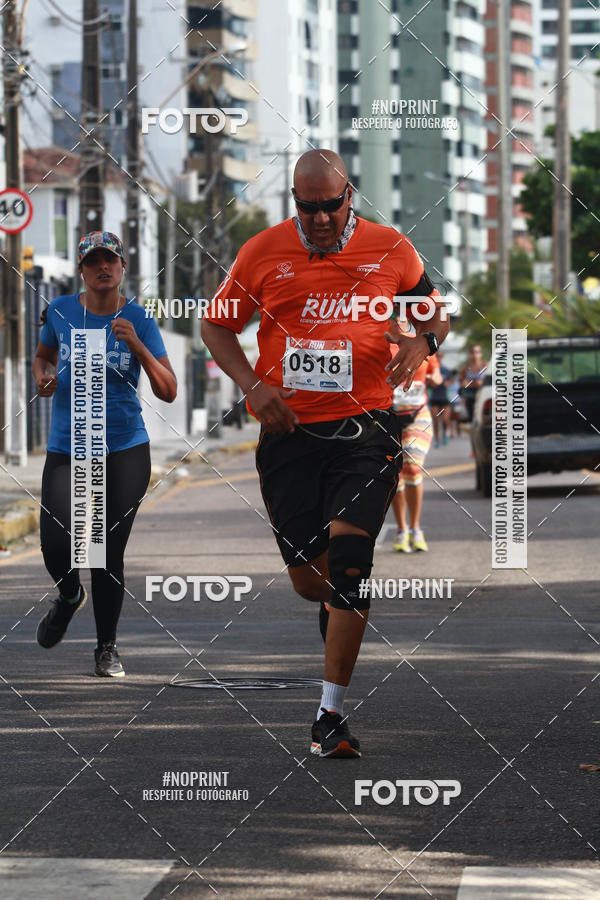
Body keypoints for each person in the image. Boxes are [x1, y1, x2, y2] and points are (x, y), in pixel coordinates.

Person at [201, 149, 449, 757]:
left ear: (349, 196)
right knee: (312, 583)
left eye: (329, 207)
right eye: (306, 207)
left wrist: (423, 342)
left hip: (367, 430)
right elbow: (215, 326)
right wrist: (253, 386)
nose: (318, 218)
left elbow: (434, 313)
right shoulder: (261, 252)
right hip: (290, 435)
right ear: (295, 200)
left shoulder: (392, 248)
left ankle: (329, 715)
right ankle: (334, 610)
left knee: (352, 564)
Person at [33, 231, 177, 677]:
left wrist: (137, 346)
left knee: (105, 549)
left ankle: (106, 648)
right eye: (93, 260)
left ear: (122, 267)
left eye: (110, 260)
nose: (102, 267)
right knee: (56, 541)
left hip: (124, 448)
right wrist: (43, 378)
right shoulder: (60, 311)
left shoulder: (139, 318)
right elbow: (42, 357)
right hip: (69, 446)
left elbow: (169, 389)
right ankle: (69, 595)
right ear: (81, 269)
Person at [391, 325, 442, 553]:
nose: (399, 321)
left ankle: (415, 528)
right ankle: (402, 529)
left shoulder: (421, 343)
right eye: (394, 316)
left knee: (412, 465)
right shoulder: (380, 344)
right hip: (389, 417)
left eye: (403, 316)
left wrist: (435, 378)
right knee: (396, 474)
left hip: (417, 414)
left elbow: (436, 374)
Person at [428, 349, 452, 447]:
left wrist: (448, 383)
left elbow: (451, 380)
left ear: (442, 357)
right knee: (435, 420)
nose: (439, 358)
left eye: (440, 356)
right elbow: (427, 383)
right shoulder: (431, 369)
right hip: (434, 398)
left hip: (444, 397)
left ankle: (445, 434)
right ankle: (437, 440)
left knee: (445, 419)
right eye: (437, 356)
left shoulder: (446, 370)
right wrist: (432, 383)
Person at [460, 344, 488, 422]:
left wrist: (470, 383)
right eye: (472, 352)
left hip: (483, 395)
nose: (475, 354)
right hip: (470, 397)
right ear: (470, 354)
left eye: (477, 352)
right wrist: (476, 383)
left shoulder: (486, 365)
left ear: (481, 353)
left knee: (484, 418)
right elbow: (462, 382)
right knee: (472, 419)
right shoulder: (465, 367)